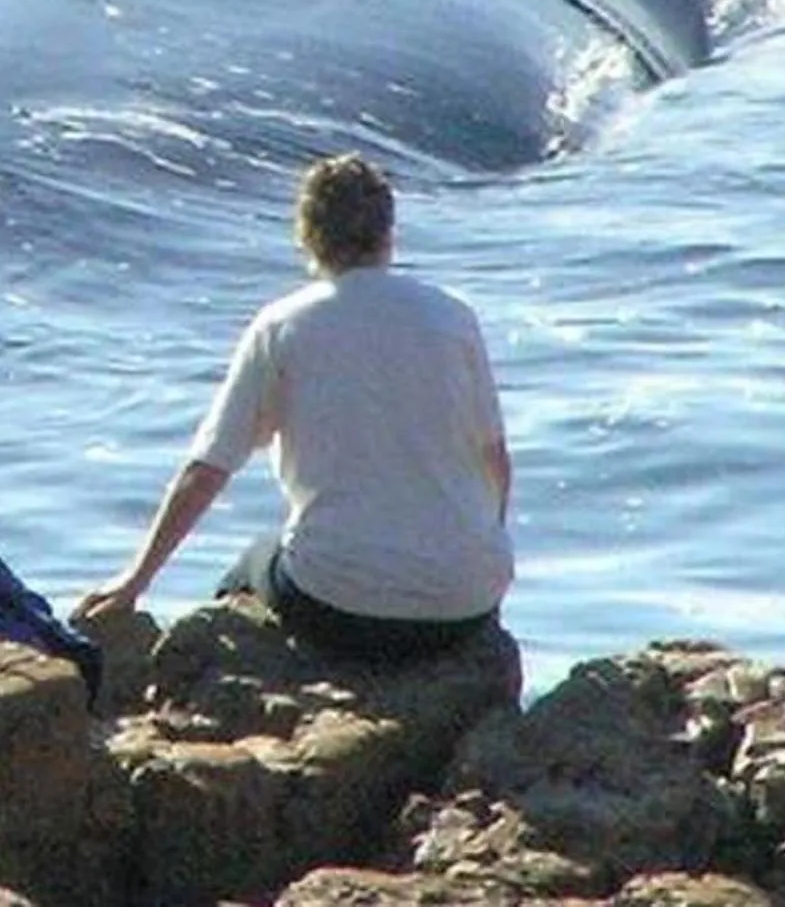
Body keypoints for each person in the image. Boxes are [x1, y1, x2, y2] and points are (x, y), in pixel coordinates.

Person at [76, 152, 512, 664]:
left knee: (248, 572)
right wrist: (474, 549)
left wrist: (136, 581)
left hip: (340, 602)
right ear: (388, 231)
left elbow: (207, 470)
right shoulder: (453, 317)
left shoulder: (283, 325)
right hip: (467, 603)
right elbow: (496, 463)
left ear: (306, 234)